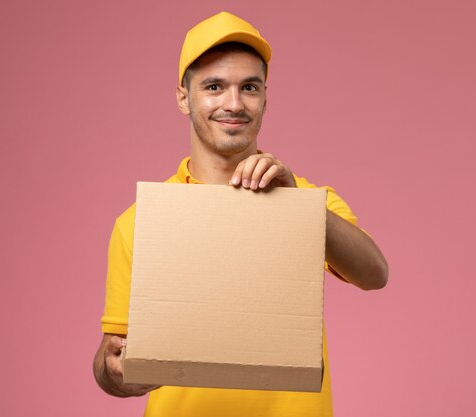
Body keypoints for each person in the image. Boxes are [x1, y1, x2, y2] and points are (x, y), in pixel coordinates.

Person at [93, 11, 388, 417]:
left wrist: (298, 206)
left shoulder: (302, 197)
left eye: (249, 87)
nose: (233, 103)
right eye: (214, 87)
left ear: (265, 96)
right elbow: (110, 360)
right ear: (184, 97)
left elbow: (375, 273)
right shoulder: (143, 222)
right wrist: (115, 372)